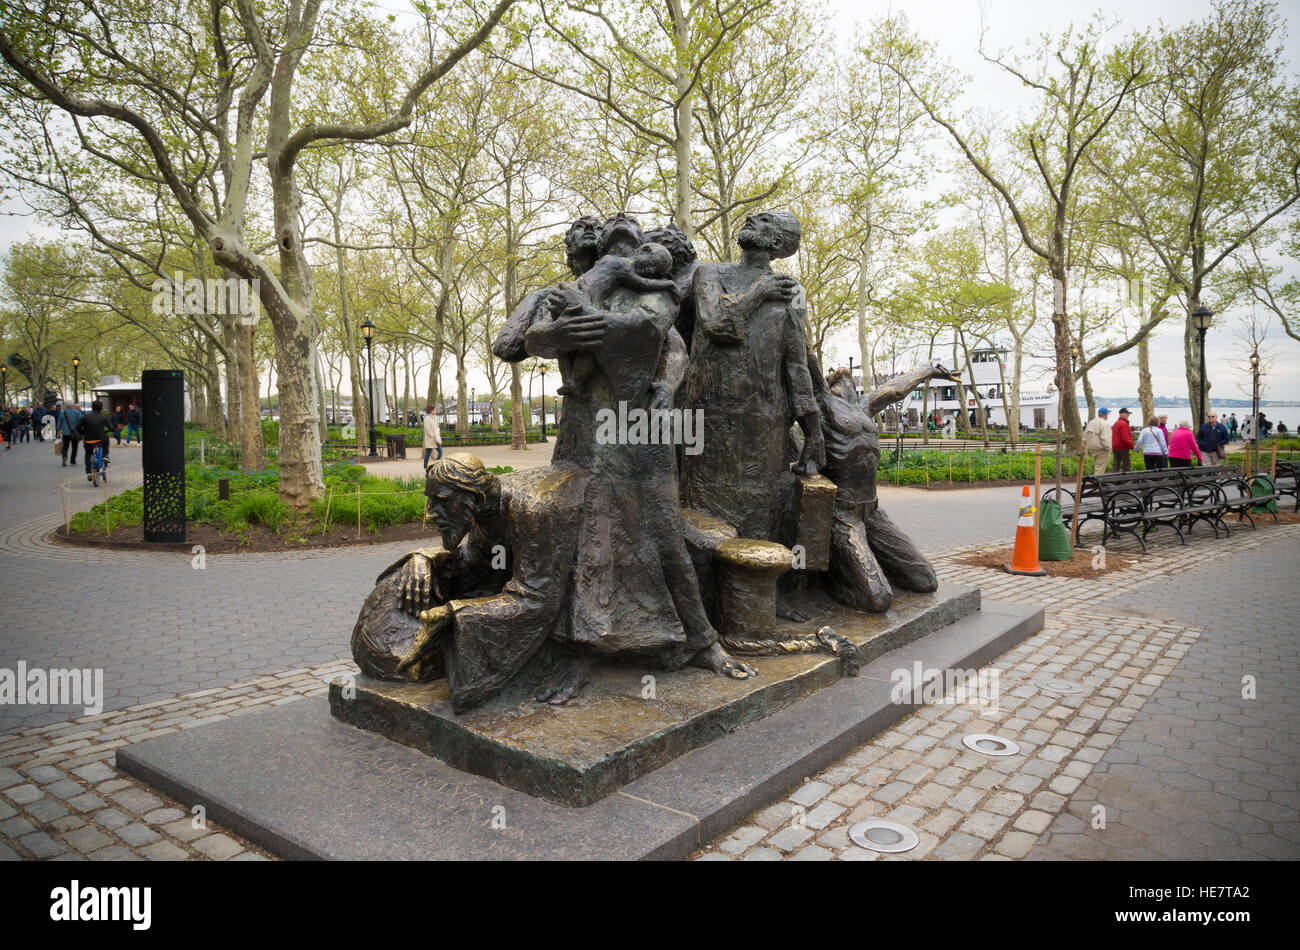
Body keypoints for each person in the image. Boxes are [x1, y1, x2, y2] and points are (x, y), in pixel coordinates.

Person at [76, 399, 112, 480]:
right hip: (100, 439)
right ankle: (105, 455)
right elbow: (111, 427)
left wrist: (83, 432)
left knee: (88, 454)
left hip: (88, 440)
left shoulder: (85, 417)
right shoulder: (103, 417)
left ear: (92, 407)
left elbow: (77, 427)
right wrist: (111, 430)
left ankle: (88, 472)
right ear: (101, 408)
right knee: (106, 438)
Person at [1084, 407, 1112, 475]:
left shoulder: (1091, 422)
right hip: (1102, 449)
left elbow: (1085, 435)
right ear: (1106, 414)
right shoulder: (1105, 424)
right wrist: (1108, 448)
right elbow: (1105, 438)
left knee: (1097, 467)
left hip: (1092, 448)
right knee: (1100, 470)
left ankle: (1096, 479)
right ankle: (1097, 480)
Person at [57, 401, 82, 466]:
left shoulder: (63, 412)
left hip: (65, 432)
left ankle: (64, 456)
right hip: (75, 432)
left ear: (66, 406)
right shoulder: (77, 412)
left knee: (65, 447)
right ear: (73, 406)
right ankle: (73, 460)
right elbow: (81, 421)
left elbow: (59, 422)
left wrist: (58, 430)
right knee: (74, 447)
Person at [1111, 407, 1135, 473]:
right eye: (1127, 413)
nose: (1128, 415)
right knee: (1127, 465)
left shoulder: (1116, 423)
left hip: (1115, 447)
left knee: (1116, 465)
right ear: (1121, 414)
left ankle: (1113, 478)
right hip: (1123, 448)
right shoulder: (1124, 424)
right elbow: (1125, 438)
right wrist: (1132, 447)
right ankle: (1127, 479)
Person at [421, 404, 442, 468]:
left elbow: (436, 426)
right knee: (428, 453)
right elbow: (427, 429)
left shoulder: (434, 417)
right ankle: (425, 466)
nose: (435, 411)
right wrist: (433, 435)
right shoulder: (427, 418)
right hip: (430, 439)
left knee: (440, 451)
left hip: (435, 439)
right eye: (434, 410)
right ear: (431, 410)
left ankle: (435, 464)